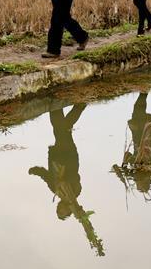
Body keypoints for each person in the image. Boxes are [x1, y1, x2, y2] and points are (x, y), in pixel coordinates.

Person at [29, 105, 105, 256]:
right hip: (69, 157)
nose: (59, 209)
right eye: (62, 212)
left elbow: (46, 176)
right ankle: (74, 106)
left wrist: (35, 171)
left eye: (58, 210)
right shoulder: (75, 193)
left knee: (61, 129)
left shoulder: (55, 190)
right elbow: (74, 177)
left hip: (57, 155)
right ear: (68, 211)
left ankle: (58, 107)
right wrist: (65, 181)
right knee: (61, 129)